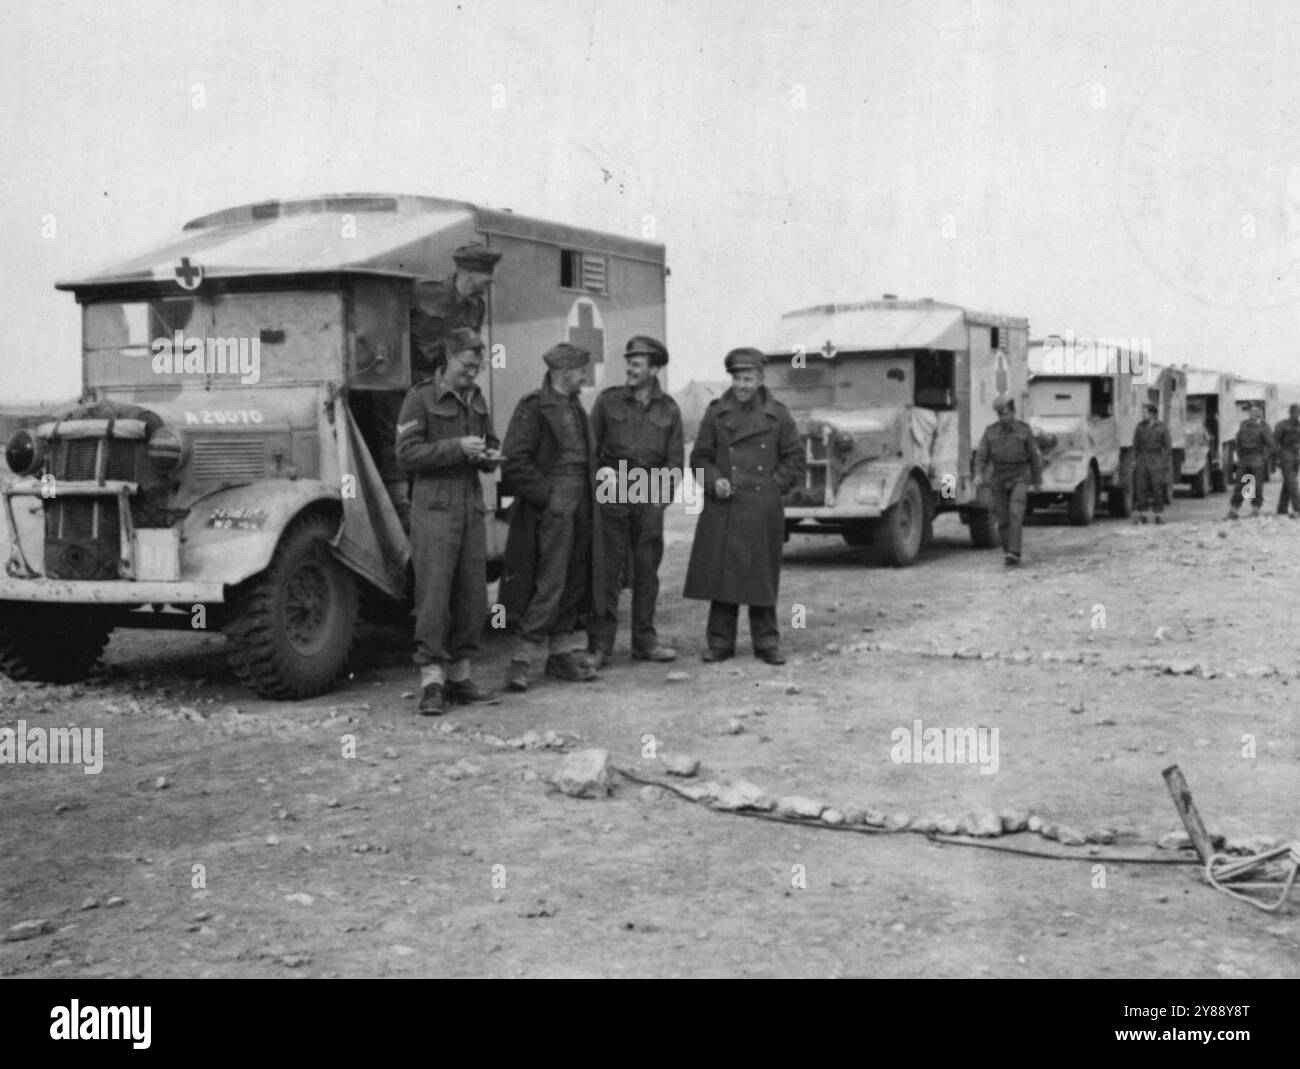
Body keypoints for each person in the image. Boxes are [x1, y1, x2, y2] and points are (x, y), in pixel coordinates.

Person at [395, 328, 502, 715]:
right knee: (434, 596)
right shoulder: (419, 398)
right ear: (449, 358)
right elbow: (406, 454)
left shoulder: (477, 399)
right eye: (467, 366)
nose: (472, 374)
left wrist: (489, 454)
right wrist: (457, 448)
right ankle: (432, 683)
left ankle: (460, 677)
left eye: (477, 367)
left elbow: (489, 444)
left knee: (472, 596)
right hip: (434, 509)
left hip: (470, 506)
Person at [682, 347, 804, 664]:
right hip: (725, 506)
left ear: (761, 378)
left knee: (760, 575)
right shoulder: (716, 412)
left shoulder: (779, 414)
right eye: (737, 378)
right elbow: (699, 458)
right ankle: (720, 642)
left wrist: (772, 487)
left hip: (762, 507)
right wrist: (714, 480)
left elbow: (795, 459)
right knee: (724, 575)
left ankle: (767, 643)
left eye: (748, 378)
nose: (742, 385)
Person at [498, 343, 603, 691]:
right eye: (581, 371)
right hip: (553, 505)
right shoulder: (534, 407)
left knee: (574, 578)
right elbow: (514, 460)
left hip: (582, 501)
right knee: (549, 581)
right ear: (564, 372)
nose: (585, 377)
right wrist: (548, 497)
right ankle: (522, 659)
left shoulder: (575, 407)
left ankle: (559, 656)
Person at [587, 335, 684, 667]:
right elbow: (590, 450)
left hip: (649, 490)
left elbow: (674, 462)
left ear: (654, 368)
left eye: (637, 363)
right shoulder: (607, 401)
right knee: (607, 571)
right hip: (613, 488)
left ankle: (645, 641)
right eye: (628, 361)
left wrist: (660, 500)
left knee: (646, 571)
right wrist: (602, 480)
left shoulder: (669, 409)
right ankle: (600, 647)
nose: (630, 367)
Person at [410, 243, 502, 374]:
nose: (490, 284)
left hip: (444, 377)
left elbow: (471, 347)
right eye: (486, 280)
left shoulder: (478, 307)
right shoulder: (425, 289)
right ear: (469, 272)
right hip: (412, 374)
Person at [974, 395, 1043, 565]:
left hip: (1020, 475)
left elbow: (1034, 456)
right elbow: (982, 454)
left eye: (1005, 414)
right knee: (1003, 519)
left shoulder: (1024, 430)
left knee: (1015, 512)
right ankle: (1008, 552)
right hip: (999, 476)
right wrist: (978, 473)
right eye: (999, 414)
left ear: (1013, 412)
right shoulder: (990, 431)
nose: (1002, 418)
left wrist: (1037, 481)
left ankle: (1015, 551)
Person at [1228, 402, 1275, 519]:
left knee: (1250, 485)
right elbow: (1238, 441)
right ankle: (1240, 511)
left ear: (1259, 414)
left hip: (1251, 459)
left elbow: (1271, 445)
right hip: (1250, 459)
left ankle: (1248, 510)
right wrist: (1263, 459)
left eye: (1255, 412)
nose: (1253, 414)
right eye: (1252, 412)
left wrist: (1263, 458)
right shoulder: (1251, 425)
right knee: (1246, 485)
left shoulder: (1255, 425)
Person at [1132, 401, 1172, 524]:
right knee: (1141, 487)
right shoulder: (1140, 426)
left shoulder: (1162, 427)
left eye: (1145, 412)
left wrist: (1165, 463)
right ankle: (1142, 514)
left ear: (1152, 414)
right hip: (1142, 458)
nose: (1142, 414)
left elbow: (1168, 446)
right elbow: (1135, 445)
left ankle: (1159, 514)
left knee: (1157, 488)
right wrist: (1134, 460)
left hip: (1156, 458)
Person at [1272, 403, 1300, 518]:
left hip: (1295, 457)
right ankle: (1298, 508)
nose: (1296, 415)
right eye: (1295, 412)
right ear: (1290, 412)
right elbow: (1274, 442)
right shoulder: (1282, 425)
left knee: (1288, 483)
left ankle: (1282, 509)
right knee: (1293, 482)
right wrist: (1277, 458)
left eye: (1298, 413)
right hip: (1285, 456)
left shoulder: (1298, 425)